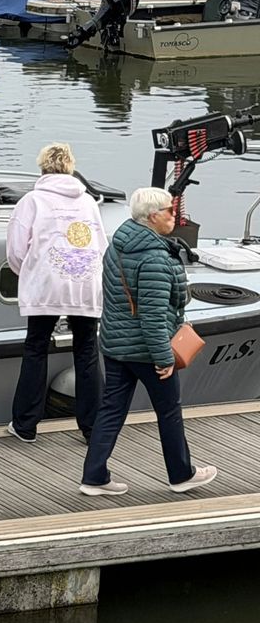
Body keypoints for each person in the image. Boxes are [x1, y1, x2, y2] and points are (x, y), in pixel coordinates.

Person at [79, 186, 218, 496]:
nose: (175, 216)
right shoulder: (154, 258)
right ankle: (181, 474)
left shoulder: (117, 245)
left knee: (112, 409)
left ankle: (94, 476)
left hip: (116, 345)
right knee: (169, 409)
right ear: (153, 216)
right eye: (170, 211)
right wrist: (164, 357)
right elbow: (153, 316)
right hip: (147, 349)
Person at [5, 142, 108, 444]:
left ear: (43, 168)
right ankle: (92, 428)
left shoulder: (32, 201)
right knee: (87, 351)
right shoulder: (88, 202)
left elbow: (15, 250)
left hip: (47, 282)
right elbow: (100, 246)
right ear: (70, 167)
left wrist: (31, 271)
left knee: (36, 348)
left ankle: (25, 425)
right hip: (85, 282)